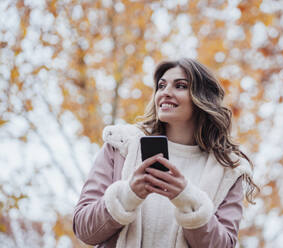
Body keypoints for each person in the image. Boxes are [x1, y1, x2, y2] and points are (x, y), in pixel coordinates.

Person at [73, 58, 258, 248]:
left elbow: (224, 245)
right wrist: (129, 194)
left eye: (180, 86)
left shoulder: (226, 170)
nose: (166, 93)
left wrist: (187, 199)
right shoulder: (122, 146)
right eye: (161, 86)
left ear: (202, 98)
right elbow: (83, 228)